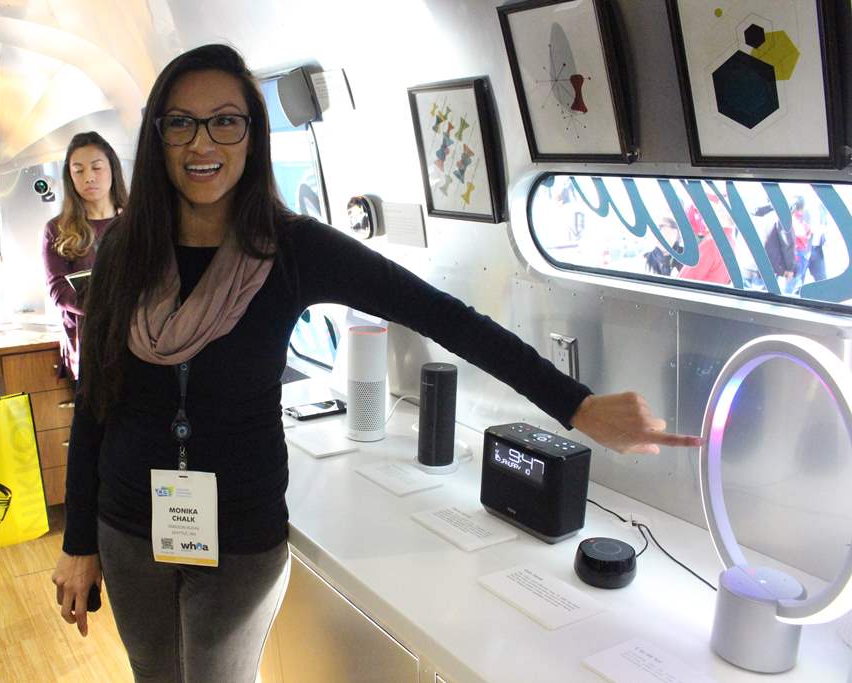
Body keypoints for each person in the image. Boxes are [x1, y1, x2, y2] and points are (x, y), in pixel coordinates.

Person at [50, 45, 700, 683]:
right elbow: (97, 400)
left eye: (225, 120)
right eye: (181, 123)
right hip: (131, 526)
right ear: (157, 136)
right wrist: (79, 540)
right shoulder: (122, 255)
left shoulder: (293, 248)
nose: (202, 144)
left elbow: (444, 316)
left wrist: (575, 404)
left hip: (241, 534)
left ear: (252, 135)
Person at [42, 131, 128, 380]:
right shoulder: (56, 229)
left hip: (137, 342)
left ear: (112, 168)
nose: (89, 177)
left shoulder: (135, 222)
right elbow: (58, 290)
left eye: (97, 167)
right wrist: (108, 307)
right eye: (78, 170)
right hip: (88, 348)